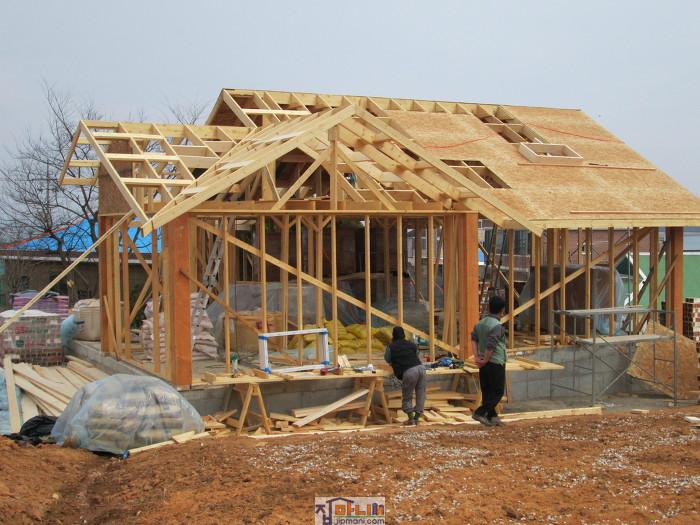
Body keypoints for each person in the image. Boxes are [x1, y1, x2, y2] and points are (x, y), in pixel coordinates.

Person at [471, 295, 507, 427]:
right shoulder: (497, 326)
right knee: (498, 391)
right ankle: (480, 412)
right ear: (502, 310)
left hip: (483, 362)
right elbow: (491, 345)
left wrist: (477, 357)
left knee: (487, 391)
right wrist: (486, 359)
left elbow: (473, 339)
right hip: (495, 361)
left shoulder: (480, 323)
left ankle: (492, 416)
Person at [384, 326, 426, 426]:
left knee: (407, 395)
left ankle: (411, 419)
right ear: (403, 334)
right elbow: (417, 354)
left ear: (393, 335)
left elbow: (387, 358)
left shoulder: (391, 346)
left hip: (409, 371)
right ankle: (416, 418)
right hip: (421, 368)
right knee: (421, 393)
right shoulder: (411, 344)